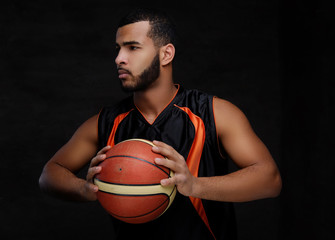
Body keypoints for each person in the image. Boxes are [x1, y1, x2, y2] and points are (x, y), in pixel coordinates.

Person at [39, 8, 282, 240]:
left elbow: (269, 180)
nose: (119, 58)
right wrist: (83, 189)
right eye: (118, 49)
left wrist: (195, 185)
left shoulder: (215, 113)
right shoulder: (106, 122)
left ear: (166, 54)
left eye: (133, 47)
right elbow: (49, 174)